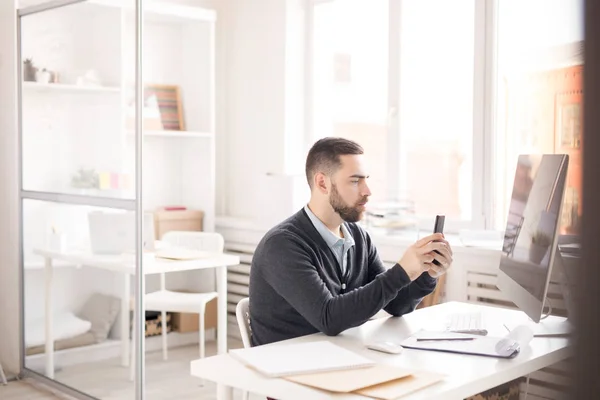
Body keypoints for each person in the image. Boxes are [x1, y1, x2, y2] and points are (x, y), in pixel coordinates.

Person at [248, 137, 453, 347]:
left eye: (366, 180)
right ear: (322, 183)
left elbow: (397, 305)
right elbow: (329, 318)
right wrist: (401, 271)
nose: (367, 191)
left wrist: (426, 272)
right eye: (355, 181)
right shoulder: (282, 245)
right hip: (287, 369)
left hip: (340, 358)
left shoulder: (358, 237)